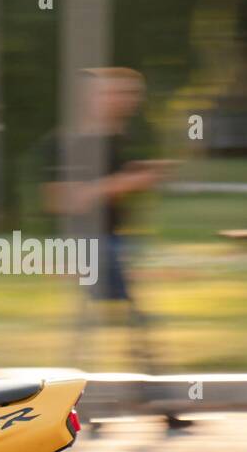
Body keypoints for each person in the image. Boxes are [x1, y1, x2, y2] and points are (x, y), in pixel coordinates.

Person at [39, 67, 189, 430]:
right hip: (90, 247)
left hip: (111, 244)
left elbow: (108, 187)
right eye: (112, 93)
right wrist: (123, 182)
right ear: (90, 98)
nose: (124, 101)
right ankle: (79, 409)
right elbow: (62, 199)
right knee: (112, 329)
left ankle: (91, 409)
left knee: (113, 328)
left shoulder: (115, 140)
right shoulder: (66, 143)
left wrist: (138, 177)